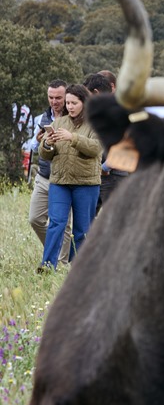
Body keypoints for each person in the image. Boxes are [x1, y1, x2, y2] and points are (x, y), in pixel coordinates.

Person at [37, 84, 103, 271]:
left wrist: (72, 138)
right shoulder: (59, 122)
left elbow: (96, 148)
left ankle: (78, 268)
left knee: (82, 229)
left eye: (74, 103)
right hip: (60, 182)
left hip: (86, 183)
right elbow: (45, 154)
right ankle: (47, 265)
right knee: (56, 223)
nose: (70, 107)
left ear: (84, 102)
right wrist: (47, 144)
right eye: (68, 103)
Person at [27, 79, 72, 265]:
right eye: (51, 97)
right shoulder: (42, 118)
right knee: (35, 219)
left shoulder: (74, 117)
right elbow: (32, 146)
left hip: (65, 178)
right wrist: (40, 141)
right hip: (44, 176)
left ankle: (61, 264)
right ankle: (54, 249)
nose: (54, 101)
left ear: (66, 97)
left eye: (58, 98)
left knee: (64, 224)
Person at [84, 72, 128, 212]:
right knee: (89, 218)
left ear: (96, 93)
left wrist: (104, 168)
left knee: (115, 218)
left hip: (113, 175)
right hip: (98, 175)